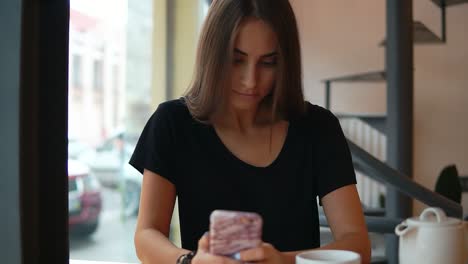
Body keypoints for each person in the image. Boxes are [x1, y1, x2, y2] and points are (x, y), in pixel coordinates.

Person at [129, 0, 371, 263]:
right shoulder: (172, 123)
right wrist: (190, 261)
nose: (250, 80)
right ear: (212, 54)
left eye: (268, 63)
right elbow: (146, 235)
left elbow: (357, 244)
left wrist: (282, 261)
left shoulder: (318, 128)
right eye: (236, 60)